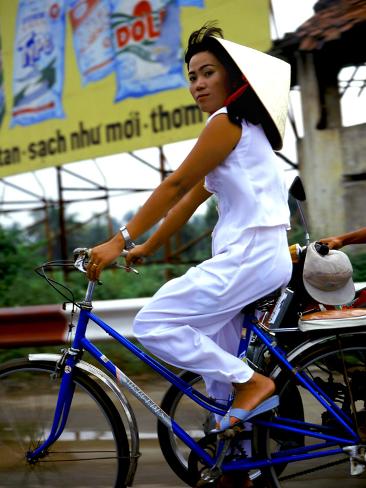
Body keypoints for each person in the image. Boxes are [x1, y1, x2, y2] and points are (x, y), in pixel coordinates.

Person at [87, 24, 292, 432]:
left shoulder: (226, 122)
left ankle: (254, 384)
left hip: (249, 257)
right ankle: (238, 465)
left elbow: (175, 183)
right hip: (256, 257)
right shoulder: (242, 131)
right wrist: (148, 245)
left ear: (234, 77)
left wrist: (119, 240)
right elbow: (192, 196)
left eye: (208, 73)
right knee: (220, 370)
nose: (197, 84)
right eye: (192, 77)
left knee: (153, 323)